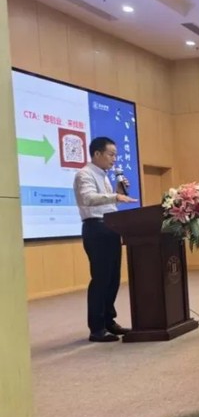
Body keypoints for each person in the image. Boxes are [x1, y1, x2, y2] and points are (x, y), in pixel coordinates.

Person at [73, 136, 137, 342]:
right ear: (97, 153)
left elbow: (107, 205)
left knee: (113, 279)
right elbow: (88, 198)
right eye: (111, 154)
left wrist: (117, 192)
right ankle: (97, 328)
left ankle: (109, 321)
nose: (114, 159)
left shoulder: (105, 176)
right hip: (96, 229)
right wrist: (115, 196)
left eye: (115, 155)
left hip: (110, 228)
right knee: (101, 279)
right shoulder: (84, 174)